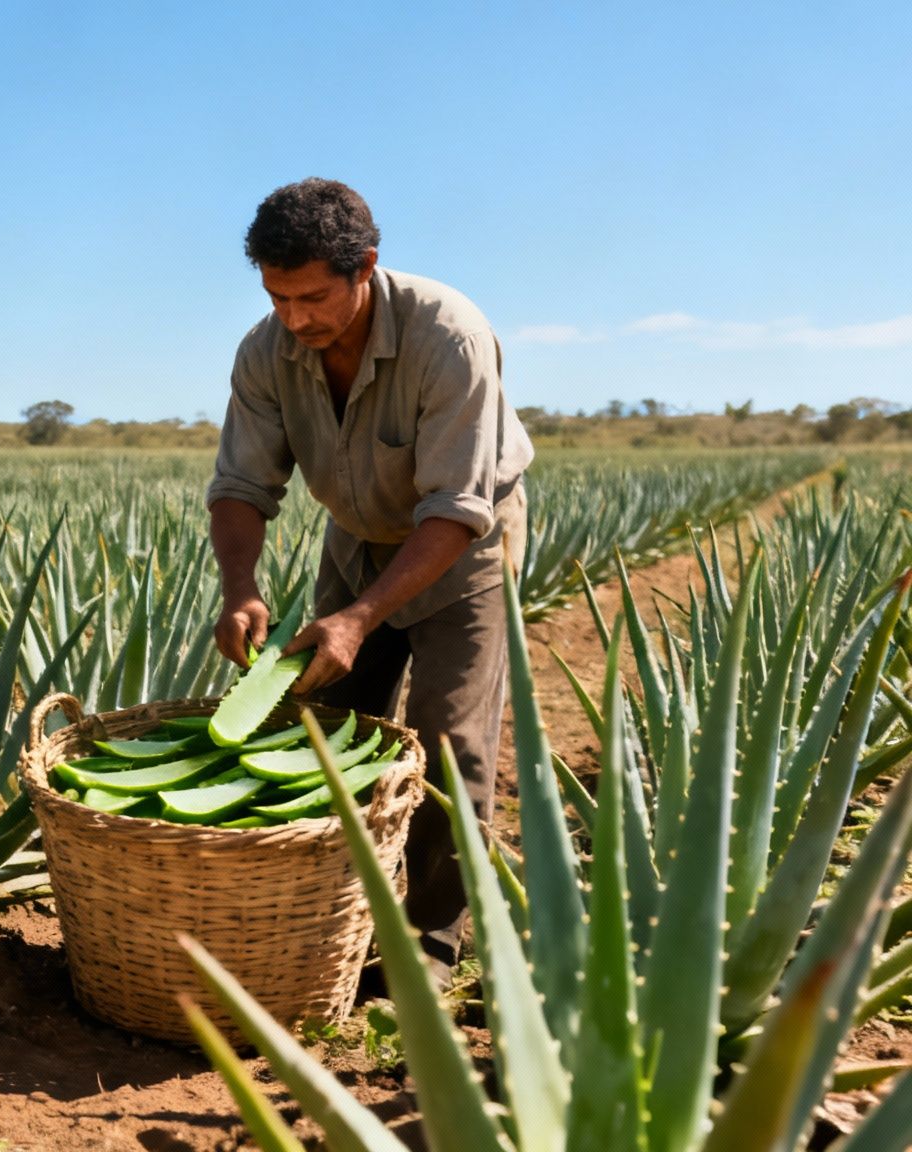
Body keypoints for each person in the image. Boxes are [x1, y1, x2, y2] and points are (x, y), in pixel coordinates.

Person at [206, 177, 532, 985]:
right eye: (279, 298)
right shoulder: (266, 350)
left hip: (461, 547)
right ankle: (325, 913)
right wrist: (240, 587)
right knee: (329, 728)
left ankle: (432, 942)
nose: (296, 318)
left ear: (366, 268)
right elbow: (243, 486)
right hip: (356, 537)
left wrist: (363, 617)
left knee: (450, 741)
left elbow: (459, 505)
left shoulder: (447, 334)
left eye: (313, 297)